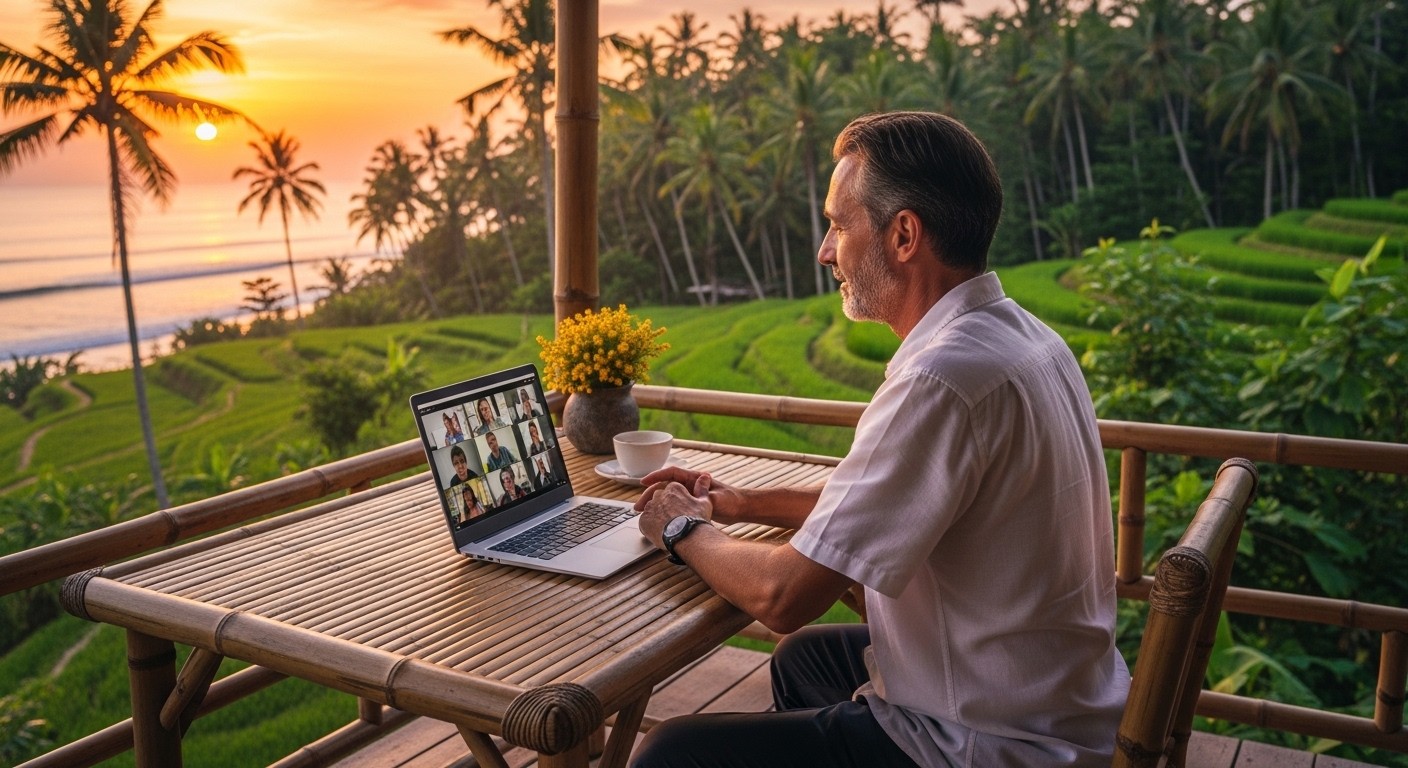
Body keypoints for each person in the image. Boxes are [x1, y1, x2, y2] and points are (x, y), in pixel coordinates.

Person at [631, 112, 1128, 768]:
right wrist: (738, 504)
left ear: (902, 235)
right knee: (806, 663)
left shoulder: (941, 379)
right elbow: (877, 502)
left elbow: (782, 598)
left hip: (991, 742)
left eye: (839, 224)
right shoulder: (1024, 339)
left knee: (672, 754)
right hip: (1052, 699)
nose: (825, 250)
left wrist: (680, 529)